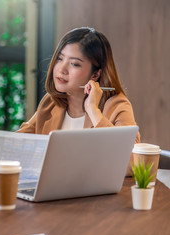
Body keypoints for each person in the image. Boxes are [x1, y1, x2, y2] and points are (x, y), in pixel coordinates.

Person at [18, 27, 140, 173]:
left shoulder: (117, 106)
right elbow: (18, 143)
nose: (62, 69)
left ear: (95, 75)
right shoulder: (50, 102)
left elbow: (132, 163)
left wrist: (94, 111)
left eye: (74, 64)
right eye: (60, 58)